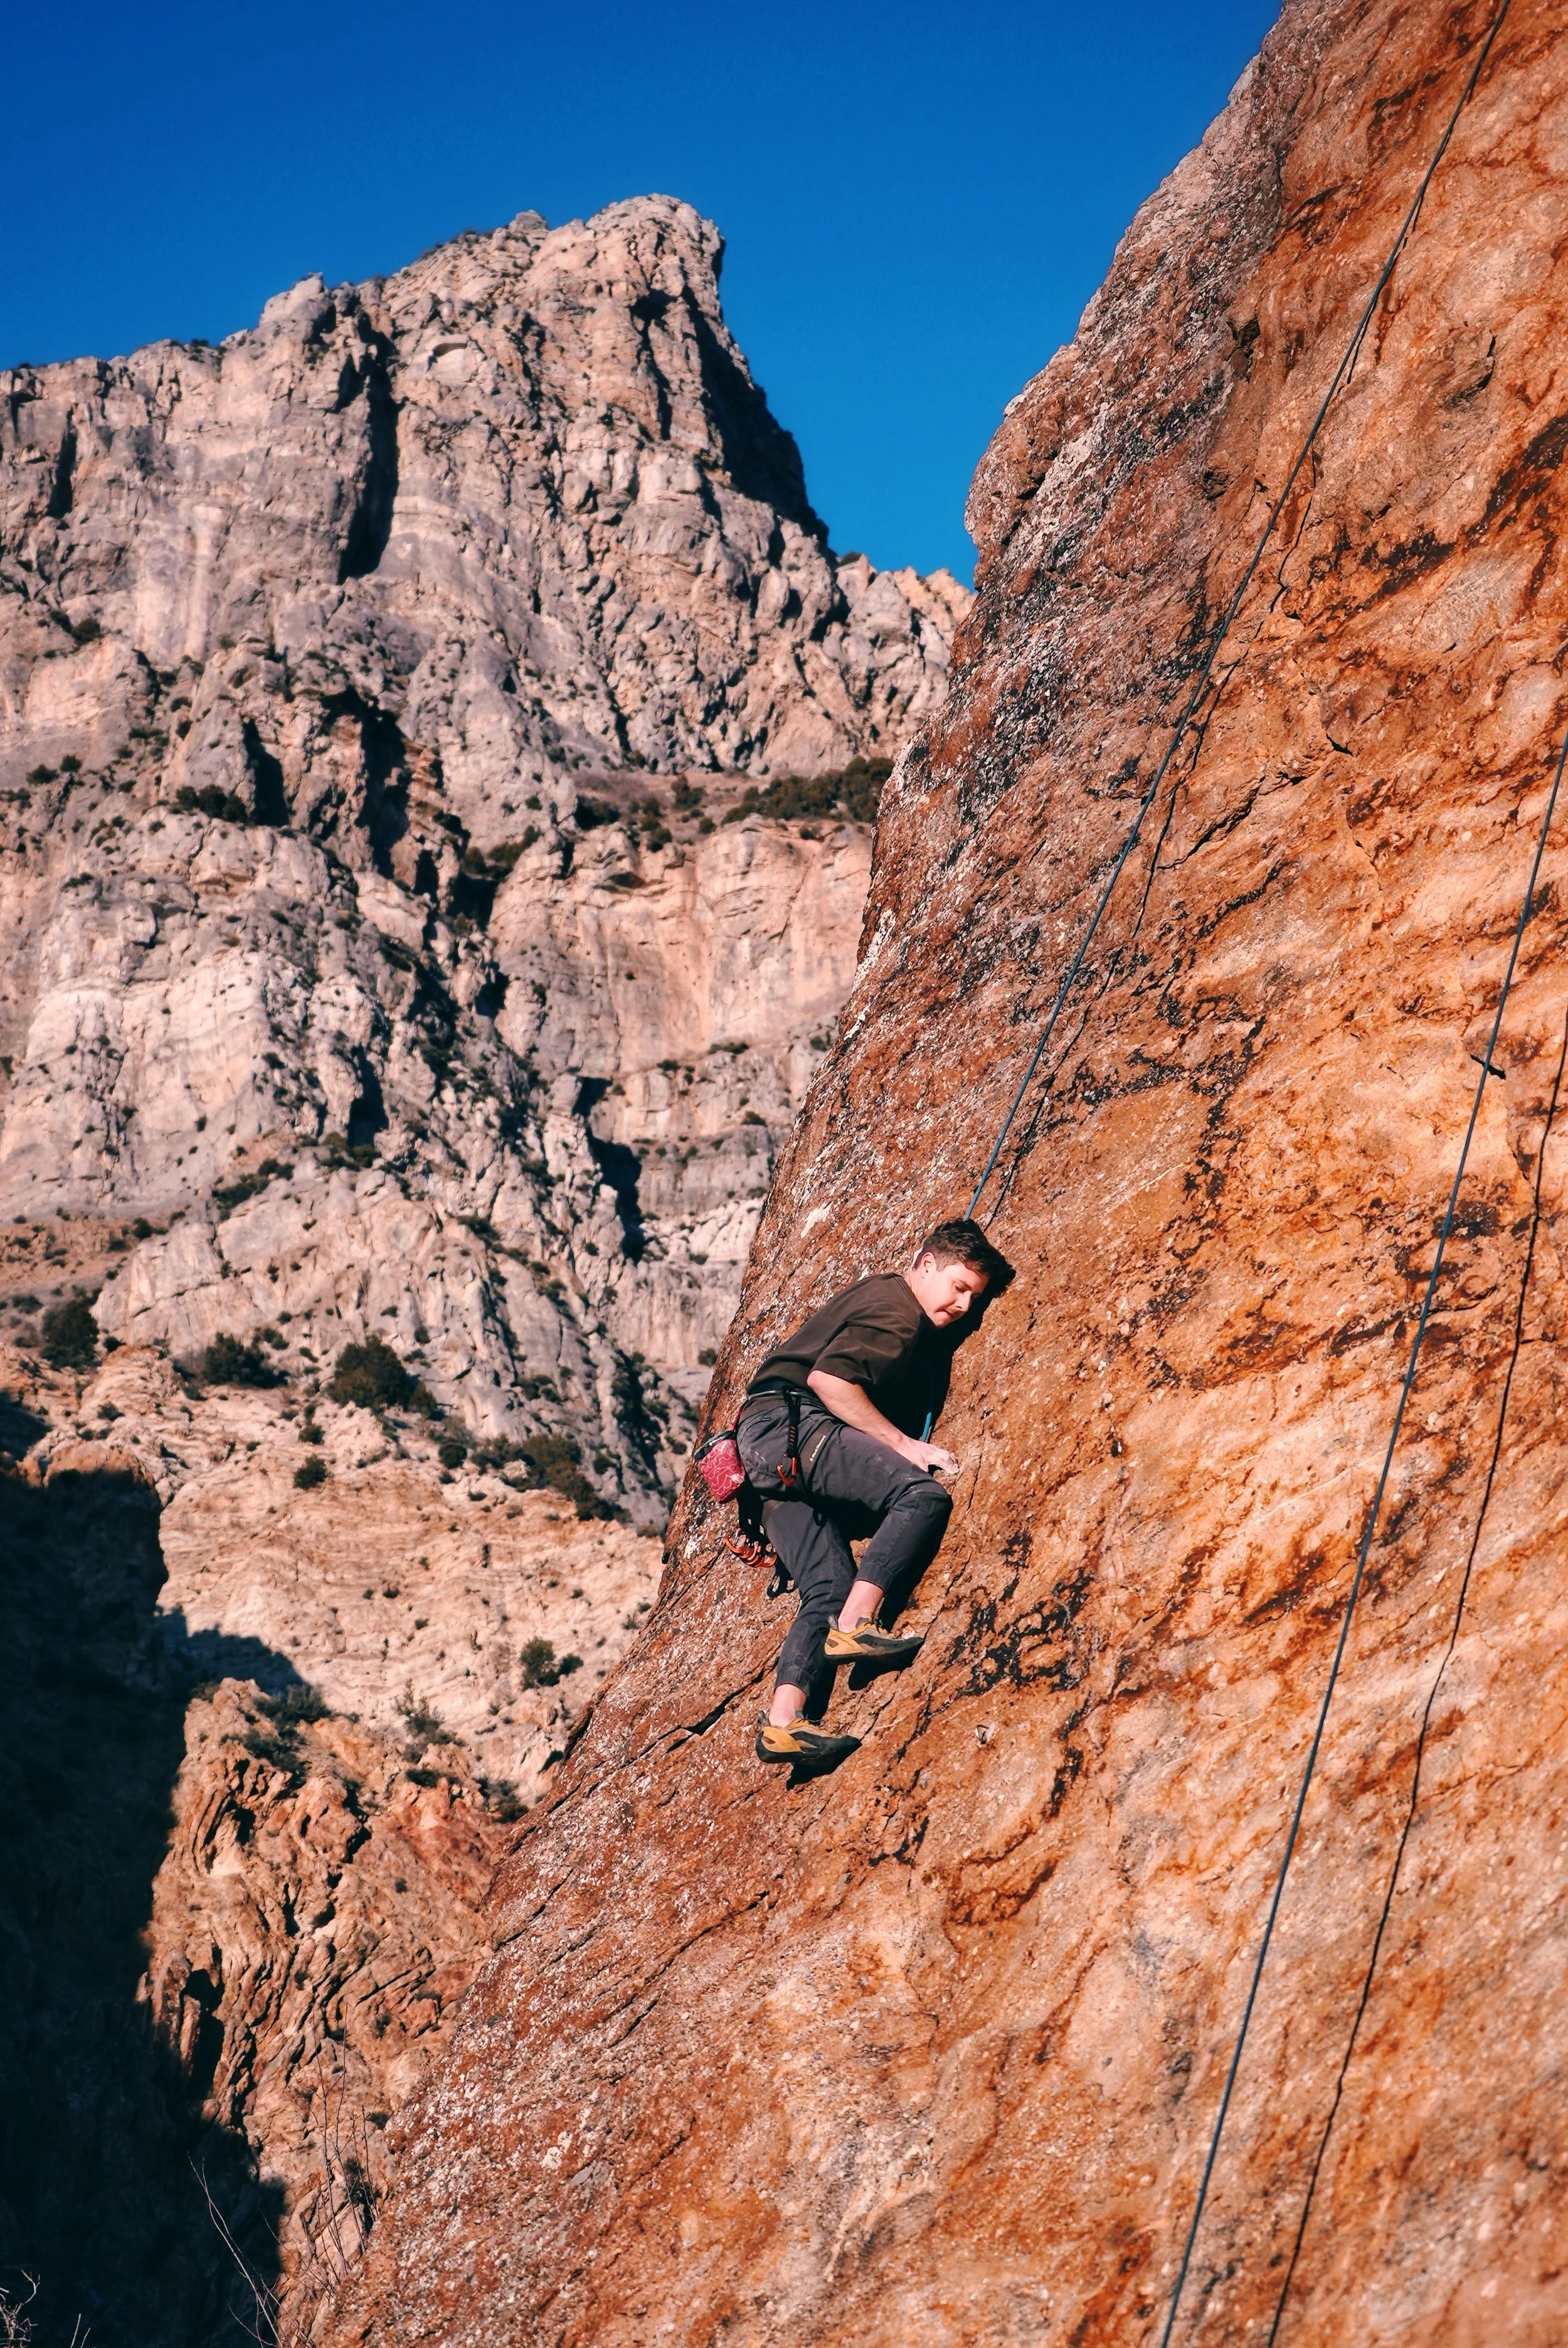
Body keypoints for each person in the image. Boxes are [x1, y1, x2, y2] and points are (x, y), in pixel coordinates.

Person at [737, 1217, 1013, 1768]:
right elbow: (830, 1382)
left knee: (827, 1583)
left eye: (974, 1299)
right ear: (925, 1262)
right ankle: (856, 1626)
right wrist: (903, 1444)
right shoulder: (897, 1307)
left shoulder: (885, 1300)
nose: (963, 1306)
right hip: (794, 1426)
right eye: (959, 1287)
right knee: (920, 1496)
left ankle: (786, 1724)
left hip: (765, 1456)